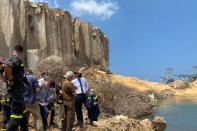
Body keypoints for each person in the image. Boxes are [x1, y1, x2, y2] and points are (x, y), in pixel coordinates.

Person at [0, 45, 27, 131]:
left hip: (10, 94)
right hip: (15, 94)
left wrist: (5, 79)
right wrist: (10, 78)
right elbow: (8, 66)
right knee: (16, 117)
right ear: (20, 53)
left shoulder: (7, 61)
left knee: (23, 114)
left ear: (13, 51)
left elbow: (2, 70)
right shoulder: (16, 60)